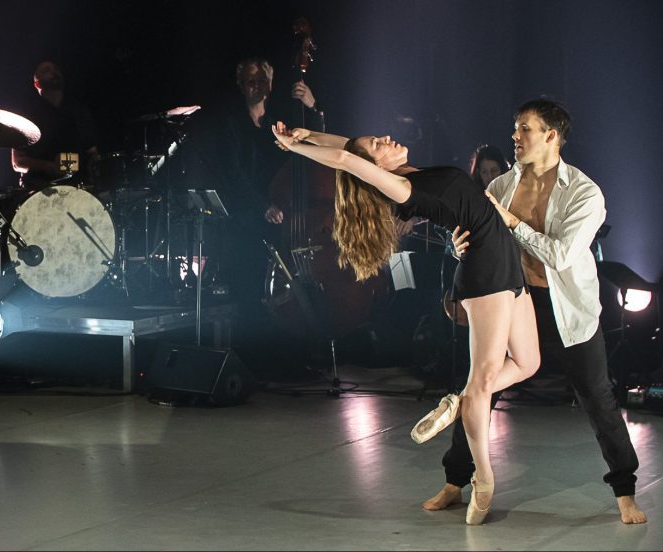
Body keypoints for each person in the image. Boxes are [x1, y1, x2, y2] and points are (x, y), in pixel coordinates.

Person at [271, 122, 541, 525]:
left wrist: (305, 133)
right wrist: (295, 150)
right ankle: (483, 479)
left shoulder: (410, 174)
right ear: (373, 170)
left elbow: (348, 148)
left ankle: (457, 403)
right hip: (485, 272)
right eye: (377, 145)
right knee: (483, 381)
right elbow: (347, 159)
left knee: (528, 363)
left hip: (503, 257)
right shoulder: (401, 191)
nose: (385, 139)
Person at [430, 98, 647, 524]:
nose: (514, 136)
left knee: (599, 400)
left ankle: (625, 492)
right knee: (482, 386)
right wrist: (460, 249)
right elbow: (477, 243)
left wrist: (511, 224)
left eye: (524, 128)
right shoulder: (499, 188)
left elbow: (562, 255)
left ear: (551, 136)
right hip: (514, 301)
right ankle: (456, 481)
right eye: (515, 128)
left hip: (567, 309)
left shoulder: (585, 192)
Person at [194, 56, 325, 378]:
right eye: (250, 79)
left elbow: (315, 147)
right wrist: (261, 206)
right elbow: (233, 174)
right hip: (248, 218)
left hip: (285, 218)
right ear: (241, 85)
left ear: (271, 84)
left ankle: (294, 357)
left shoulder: (280, 121)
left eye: (262, 79)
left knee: (292, 289)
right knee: (251, 288)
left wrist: (313, 108)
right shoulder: (230, 122)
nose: (257, 84)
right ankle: (257, 363)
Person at [11, 60, 101, 189]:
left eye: (56, 69)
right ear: (37, 83)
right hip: (39, 189)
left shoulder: (78, 109)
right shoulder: (26, 115)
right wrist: (49, 166)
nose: (54, 72)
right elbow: (18, 163)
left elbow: (93, 153)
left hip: (79, 187)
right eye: (47, 71)